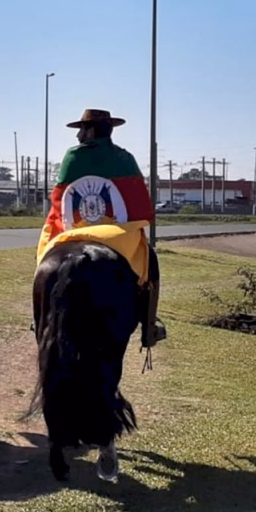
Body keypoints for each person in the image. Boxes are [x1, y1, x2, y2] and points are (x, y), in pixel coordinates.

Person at [39, 108, 167, 348]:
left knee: (45, 254)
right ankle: (149, 326)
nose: (78, 137)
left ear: (91, 131)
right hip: (115, 236)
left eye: (82, 130)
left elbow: (59, 201)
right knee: (150, 261)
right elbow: (138, 203)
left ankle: (41, 314)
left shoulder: (72, 157)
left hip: (72, 230)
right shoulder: (124, 158)